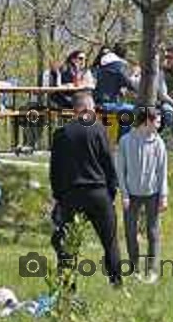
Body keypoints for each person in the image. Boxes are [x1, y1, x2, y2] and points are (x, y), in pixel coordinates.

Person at [49, 92, 123, 287]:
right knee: (110, 242)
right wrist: (111, 192)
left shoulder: (61, 133)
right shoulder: (99, 130)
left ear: (74, 110)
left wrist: (59, 197)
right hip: (98, 193)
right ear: (89, 108)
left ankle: (67, 287)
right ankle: (116, 283)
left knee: (68, 245)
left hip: (72, 195)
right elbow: (109, 164)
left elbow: (55, 171)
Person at [117, 107, 168, 283]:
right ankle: (134, 268)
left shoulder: (159, 143)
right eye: (158, 121)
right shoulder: (125, 141)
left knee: (153, 231)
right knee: (131, 231)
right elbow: (120, 171)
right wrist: (124, 194)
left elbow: (162, 171)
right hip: (131, 194)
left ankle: (152, 270)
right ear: (147, 121)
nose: (160, 124)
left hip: (152, 193)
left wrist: (164, 195)